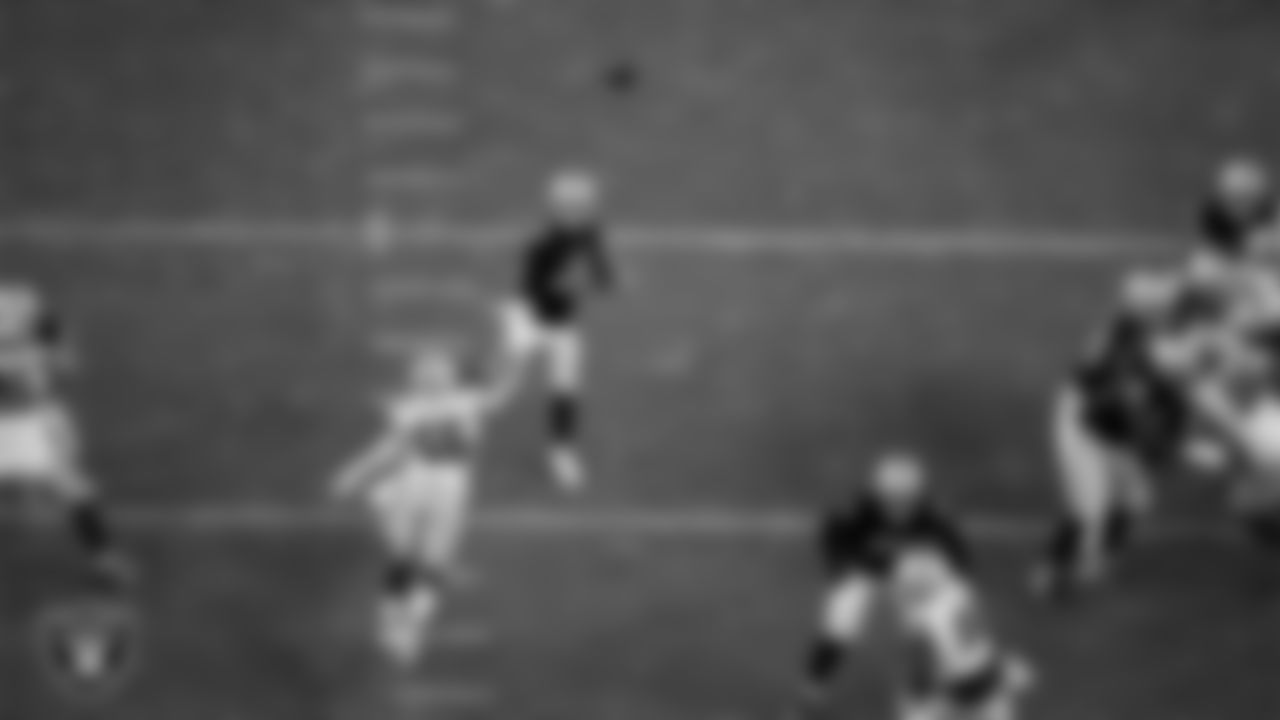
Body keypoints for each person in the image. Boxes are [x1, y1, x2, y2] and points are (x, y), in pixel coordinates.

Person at [332, 342, 511, 666]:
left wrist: (512, 355)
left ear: (450, 378)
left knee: (433, 564)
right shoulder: (412, 408)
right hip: (418, 483)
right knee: (405, 557)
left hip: (451, 489)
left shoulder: (467, 402)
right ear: (420, 379)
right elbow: (390, 449)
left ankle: (408, 627)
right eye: (428, 373)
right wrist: (354, 473)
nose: (434, 378)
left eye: (439, 371)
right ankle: (392, 622)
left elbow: (501, 392)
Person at [790, 453, 970, 719]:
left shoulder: (933, 516)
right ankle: (810, 695)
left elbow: (960, 557)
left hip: (911, 576)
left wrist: (939, 582)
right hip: (865, 569)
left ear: (918, 496)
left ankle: (919, 699)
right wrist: (841, 568)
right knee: (838, 629)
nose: (899, 506)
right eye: (892, 498)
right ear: (878, 494)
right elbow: (832, 540)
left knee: (922, 635)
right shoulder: (856, 510)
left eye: (906, 499)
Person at [497, 169, 615, 492]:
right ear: (557, 209)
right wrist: (571, 287)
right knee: (505, 387)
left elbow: (603, 272)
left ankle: (561, 450)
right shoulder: (540, 245)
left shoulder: (589, 232)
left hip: (563, 325)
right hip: (529, 319)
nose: (579, 213)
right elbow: (534, 292)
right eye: (571, 207)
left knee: (565, 388)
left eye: (583, 207)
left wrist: (598, 278)